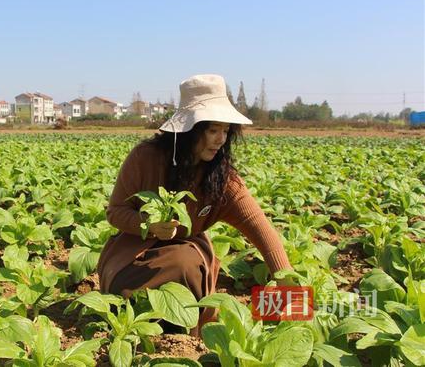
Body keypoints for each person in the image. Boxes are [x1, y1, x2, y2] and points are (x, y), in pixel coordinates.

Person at [96, 74, 293, 337]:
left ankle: (181, 339)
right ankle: (137, 328)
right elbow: (116, 212)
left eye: (226, 131)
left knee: (184, 260)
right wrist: (150, 226)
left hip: (188, 264)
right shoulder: (146, 158)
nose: (220, 139)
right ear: (189, 130)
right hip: (133, 255)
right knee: (143, 291)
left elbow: (261, 229)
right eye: (213, 130)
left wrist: (288, 285)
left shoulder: (222, 180)